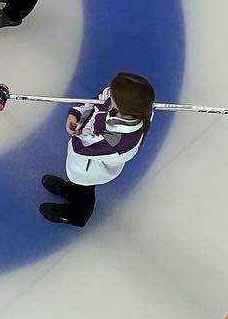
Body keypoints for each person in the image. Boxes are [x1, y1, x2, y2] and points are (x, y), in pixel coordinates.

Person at [40, 72, 154, 227]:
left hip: (90, 169)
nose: (109, 93)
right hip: (87, 161)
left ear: (121, 107)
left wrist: (78, 130)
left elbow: (81, 147)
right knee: (78, 186)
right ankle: (70, 189)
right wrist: (77, 114)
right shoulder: (128, 106)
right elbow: (98, 100)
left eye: (113, 94)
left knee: (84, 189)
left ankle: (77, 216)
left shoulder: (120, 139)